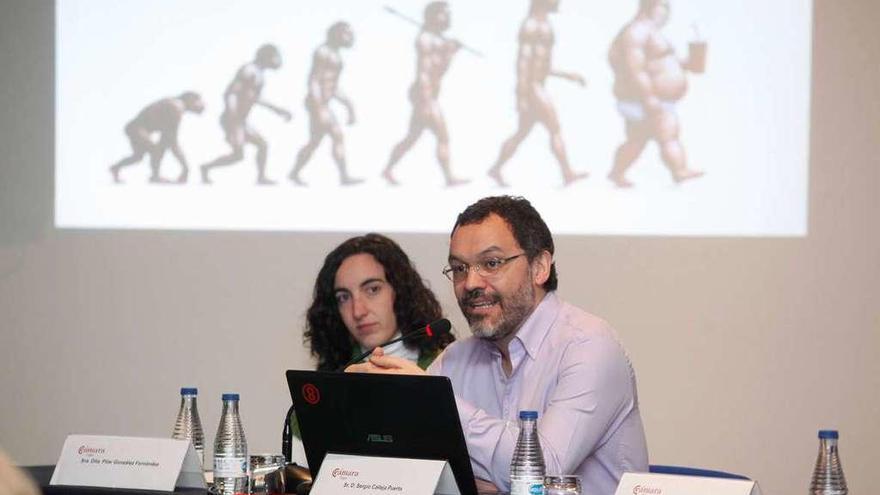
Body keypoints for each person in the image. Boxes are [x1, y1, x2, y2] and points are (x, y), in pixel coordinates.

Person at [349, 196, 649, 495]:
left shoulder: (590, 346)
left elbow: (539, 473)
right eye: (459, 268)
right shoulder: (455, 359)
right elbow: (417, 470)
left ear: (539, 267)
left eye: (491, 263)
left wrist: (440, 405)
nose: (470, 283)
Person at [304, 233, 454, 371]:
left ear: (400, 290)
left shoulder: (450, 365)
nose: (358, 311)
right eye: (344, 297)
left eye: (373, 289)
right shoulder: (331, 377)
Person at [489, 0, 589, 188]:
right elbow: (523, 63)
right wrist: (522, 95)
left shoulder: (542, 25)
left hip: (535, 86)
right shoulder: (532, 26)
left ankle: (496, 168)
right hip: (533, 88)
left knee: (522, 133)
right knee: (554, 127)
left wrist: (569, 75)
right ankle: (567, 173)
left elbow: (542, 65)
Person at [607, 0, 704, 187]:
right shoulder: (636, 32)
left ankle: (617, 173)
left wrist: (689, 62)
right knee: (666, 131)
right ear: (650, 6)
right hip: (643, 99)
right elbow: (635, 68)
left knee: (637, 140)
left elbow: (665, 62)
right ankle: (679, 170)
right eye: (664, 7)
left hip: (654, 98)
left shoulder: (653, 32)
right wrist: (649, 96)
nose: (667, 13)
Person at [382, 1, 468, 187]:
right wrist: (426, 98)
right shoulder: (426, 39)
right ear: (433, 16)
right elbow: (427, 71)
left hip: (429, 93)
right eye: (443, 14)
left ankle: (387, 169)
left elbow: (439, 70)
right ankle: (449, 177)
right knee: (442, 134)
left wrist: (449, 52)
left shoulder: (435, 40)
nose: (447, 17)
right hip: (424, 93)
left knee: (412, 136)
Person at [200, 44, 291, 185]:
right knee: (238, 155)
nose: (277, 61)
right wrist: (232, 116)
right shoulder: (249, 70)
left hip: (240, 121)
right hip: (233, 119)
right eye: (274, 57)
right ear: (266, 57)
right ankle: (205, 168)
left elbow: (256, 98)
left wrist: (278, 110)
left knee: (262, 145)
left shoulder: (259, 74)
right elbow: (231, 92)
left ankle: (261, 177)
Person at [289, 22, 363, 187]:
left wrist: (349, 105)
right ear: (337, 34)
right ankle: (344, 177)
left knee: (315, 141)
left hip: (323, 103)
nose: (350, 38)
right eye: (346, 34)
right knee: (336, 135)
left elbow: (332, 86)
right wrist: (319, 107)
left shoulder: (336, 56)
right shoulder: (323, 52)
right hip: (317, 103)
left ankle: (294, 173)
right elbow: (314, 81)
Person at [109, 92, 204, 184]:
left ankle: (115, 168)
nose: (200, 104)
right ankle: (155, 176)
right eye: (198, 101)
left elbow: (168, 139)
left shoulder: (175, 105)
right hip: (137, 129)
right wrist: (185, 168)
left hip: (135, 128)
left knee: (138, 156)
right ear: (190, 99)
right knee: (155, 150)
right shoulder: (176, 107)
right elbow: (173, 143)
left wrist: (184, 167)